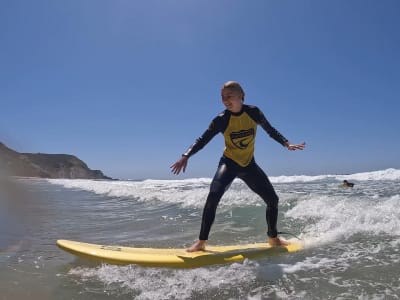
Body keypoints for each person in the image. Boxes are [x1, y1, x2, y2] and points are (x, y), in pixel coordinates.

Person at [170, 81, 305, 252]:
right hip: (229, 163)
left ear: (241, 96)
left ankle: (273, 238)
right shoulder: (221, 119)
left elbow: (270, 130)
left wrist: (286, 143)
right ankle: (201, 242)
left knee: (273, 200)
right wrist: (185, 155)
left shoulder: (253, 112)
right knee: (213, 197)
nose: (225, 100)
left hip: (249, 165)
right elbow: (202, 139)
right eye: (222, 97)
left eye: (229, 96)